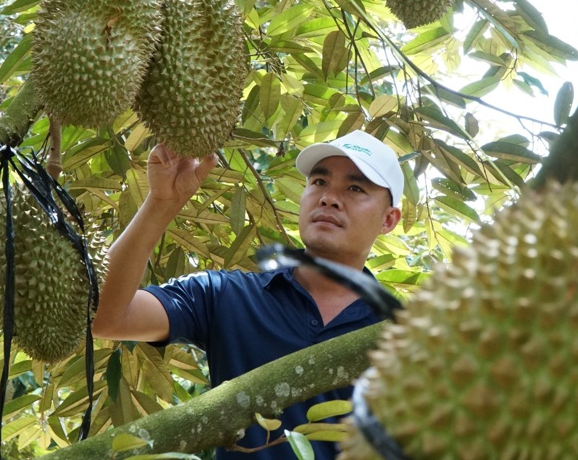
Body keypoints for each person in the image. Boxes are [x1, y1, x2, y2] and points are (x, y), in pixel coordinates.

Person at [91, 130, 404, 460]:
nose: (329, 197)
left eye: (355, 188)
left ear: (388, 219)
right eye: (319, 183)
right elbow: (107, 318)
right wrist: (160, 203)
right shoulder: (225, 295)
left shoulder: (404, 338)